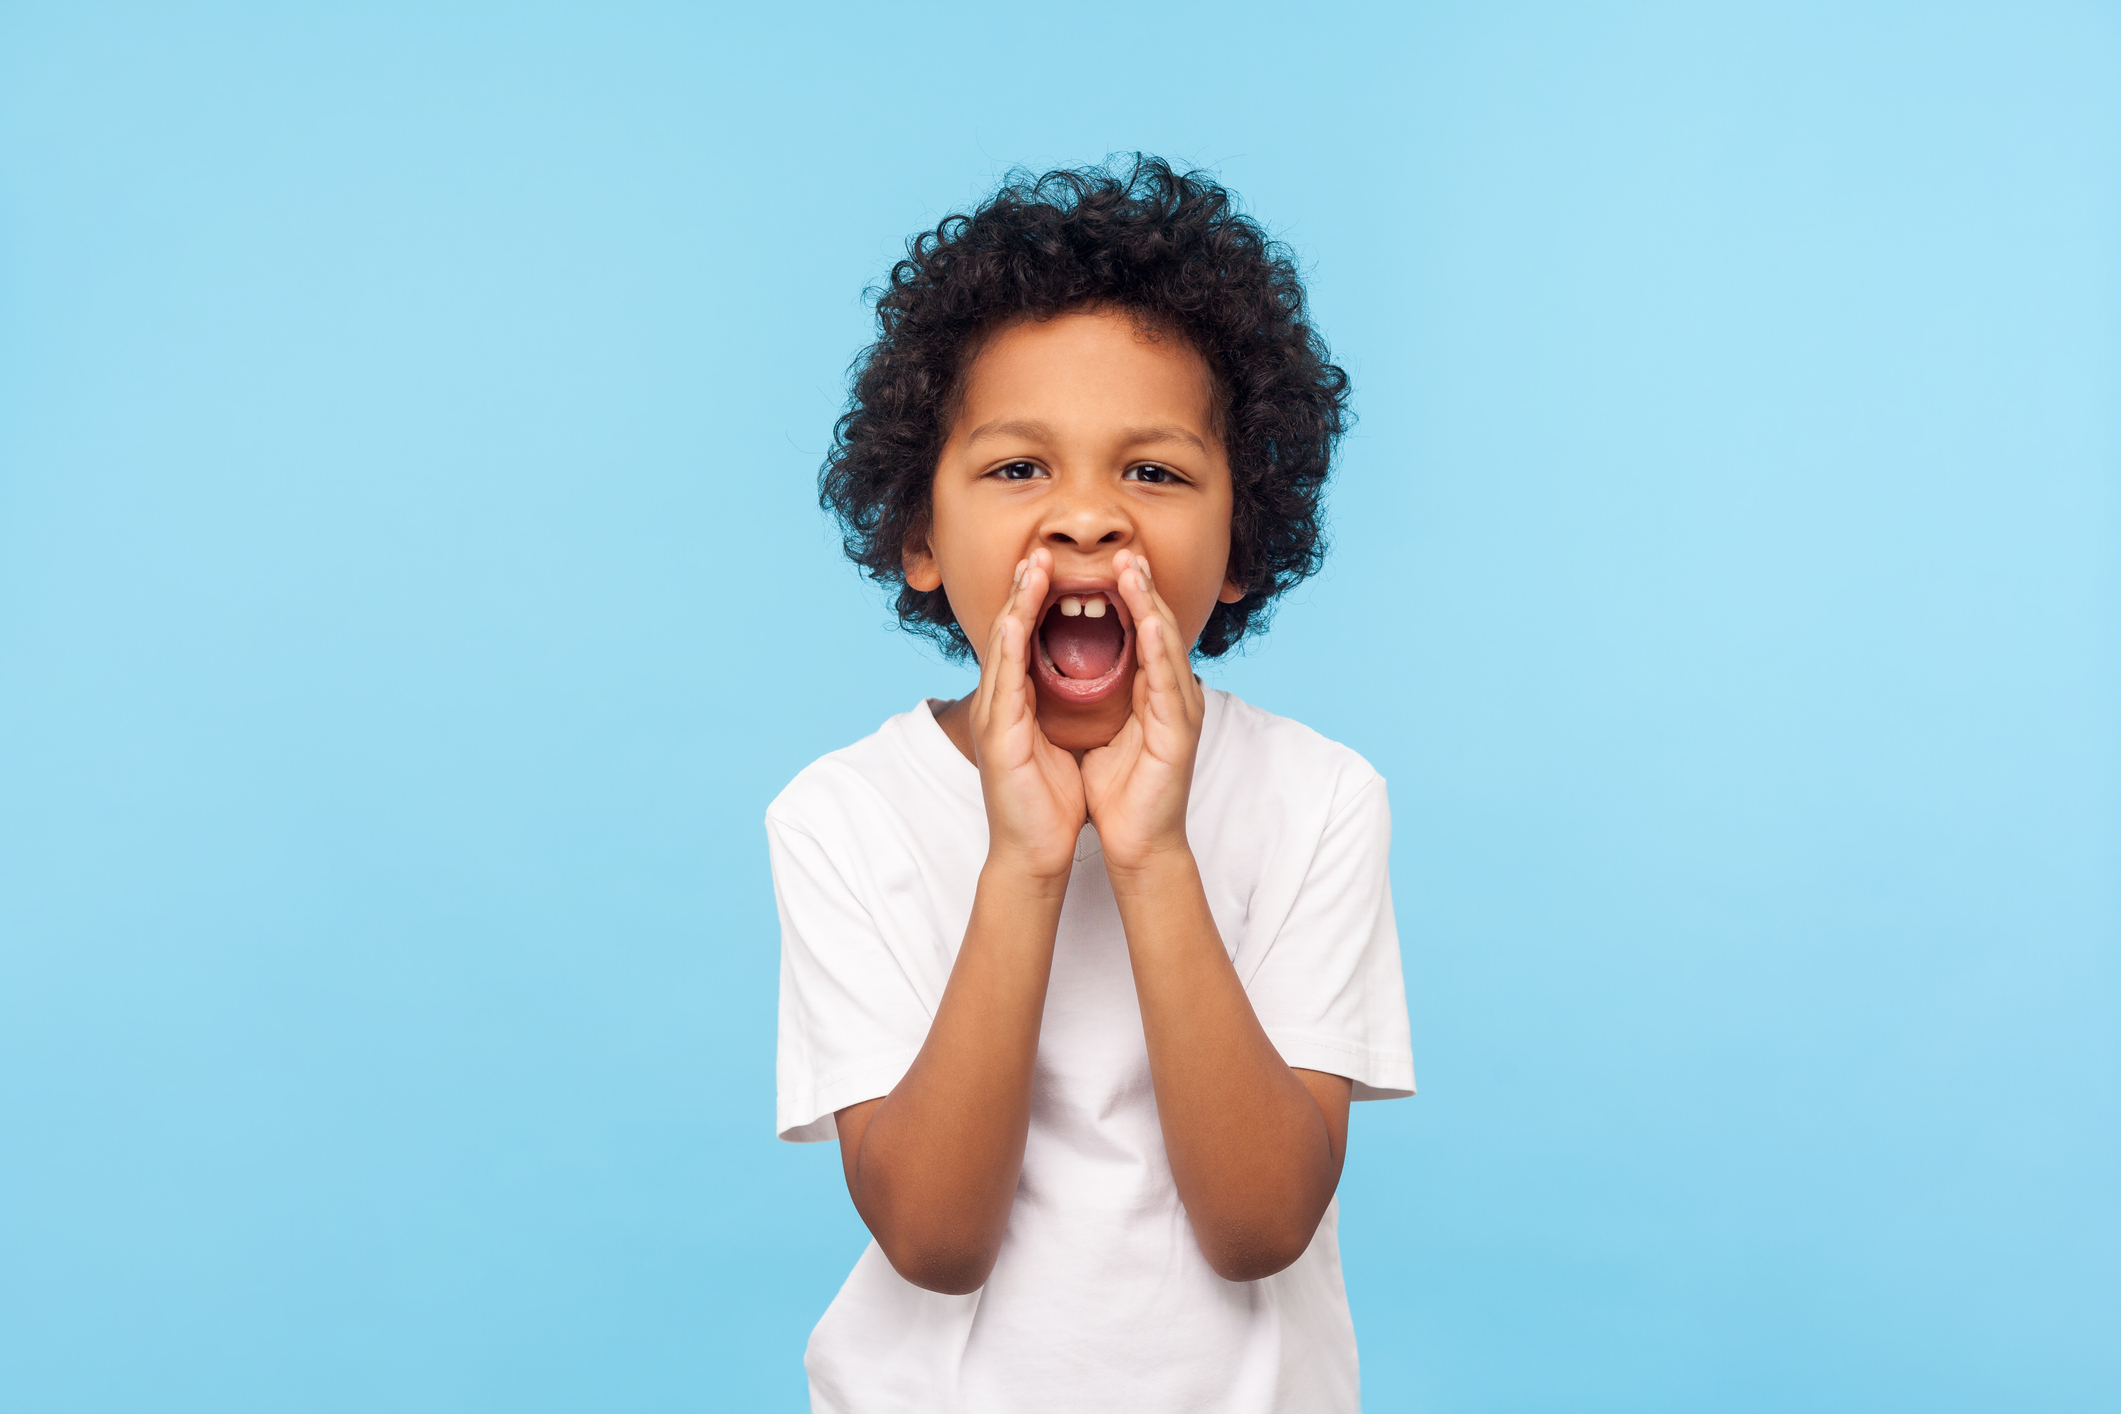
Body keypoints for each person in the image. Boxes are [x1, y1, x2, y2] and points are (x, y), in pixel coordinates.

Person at [769, 157, 1414, 1414]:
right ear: (917, 534)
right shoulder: (840, 815)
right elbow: (935, 1242)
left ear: (1241, 546)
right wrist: (1023, 860)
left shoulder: (1319, 798)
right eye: (1019, 470)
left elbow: (1261, 1224)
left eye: (1155, 474)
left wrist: (1153, 854)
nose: (1086, 520)